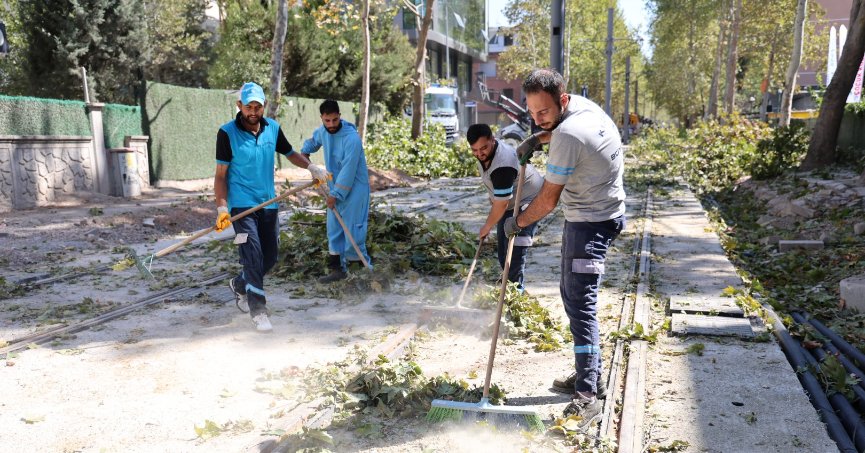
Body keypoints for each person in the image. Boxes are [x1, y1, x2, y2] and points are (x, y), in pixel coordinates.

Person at [504, 69, 626, 426]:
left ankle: (588, 394)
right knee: (571, 294)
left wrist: (519, 221)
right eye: (532, 112)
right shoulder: (580, 109)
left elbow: (547, 200)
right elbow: (555, 131)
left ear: (563, 100)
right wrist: (537, 139)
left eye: (544, 112)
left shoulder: (569, 135)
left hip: (590, 221)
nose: (538, 118)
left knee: (579, 300)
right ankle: (590, 371)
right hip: (604, 211)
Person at [215, 82, 329, 333]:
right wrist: (222, 208)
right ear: (239, 106)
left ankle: (240, 283)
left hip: (268, 203)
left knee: (271, 257)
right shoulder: (226, 133)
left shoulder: (273, 129)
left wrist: (311, 167)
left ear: (263, 106)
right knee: (253, 257)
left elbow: (289, 153)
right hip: (241, 207)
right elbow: (221, 175)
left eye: (257, 106)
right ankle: (259, 312)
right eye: (248, 107)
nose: (253, 112)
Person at [301, 100, 372, 283]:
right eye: (327, 121)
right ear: (322, 119)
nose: (331, 125)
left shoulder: (352, 139)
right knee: (334, 229)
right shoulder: (323, 131)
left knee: (353, 230)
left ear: (340, 116)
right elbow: (309, 146)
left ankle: (362, 273)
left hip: (355, 189)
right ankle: (337, 271)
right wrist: (308, 163)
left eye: (334, 120)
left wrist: (335, 195)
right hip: (335, 188)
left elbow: (348, 171)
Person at [466, 123, 543, 291]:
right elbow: (497, 196)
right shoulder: (484, 155)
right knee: (503, 252)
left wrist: (487, 226)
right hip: (511, 201)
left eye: (483, 148)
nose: (479, 154)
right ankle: (508, 290)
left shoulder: (503, 164)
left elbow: (501, 205)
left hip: (529, 201)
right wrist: (494, 199)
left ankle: (516, 294)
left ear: (493, 140)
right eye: (475, 150)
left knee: (514, 252)